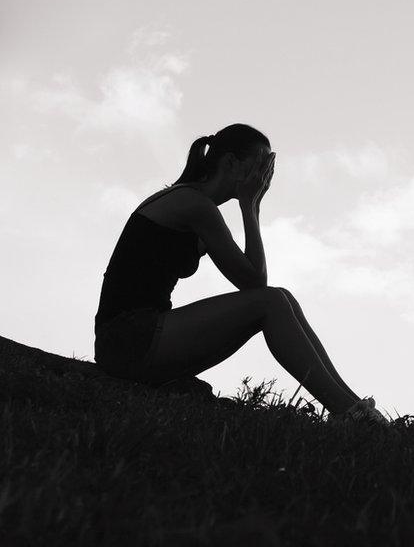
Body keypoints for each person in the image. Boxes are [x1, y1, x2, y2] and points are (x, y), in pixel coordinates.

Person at [93, 123, 386, 425]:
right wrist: (251, 206)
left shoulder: (198, 208)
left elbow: (254, 280)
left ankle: (355, 409)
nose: (262, 176)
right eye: (259, 164)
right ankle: (351, 414)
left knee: (281, 298)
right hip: (127, 337)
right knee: (271, 302)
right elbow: (255, 283)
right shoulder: (194, 204)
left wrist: (252, 204)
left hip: (136, 338)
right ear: (231, 163)